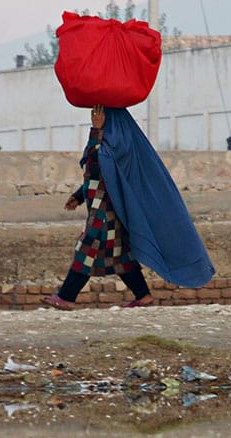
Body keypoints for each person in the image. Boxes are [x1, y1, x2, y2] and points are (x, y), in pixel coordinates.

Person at [42, 106, 154, 310]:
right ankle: (143, 295)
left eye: (100, 115)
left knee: (85, 251)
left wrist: (96, 131)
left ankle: (66, 297)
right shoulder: (115, 145)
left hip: (104, 213)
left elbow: (95, 165)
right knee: (121, 256)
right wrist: (78, 197)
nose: (95, 116)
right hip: (109, 210)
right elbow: (98, 178)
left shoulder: (109, 145)